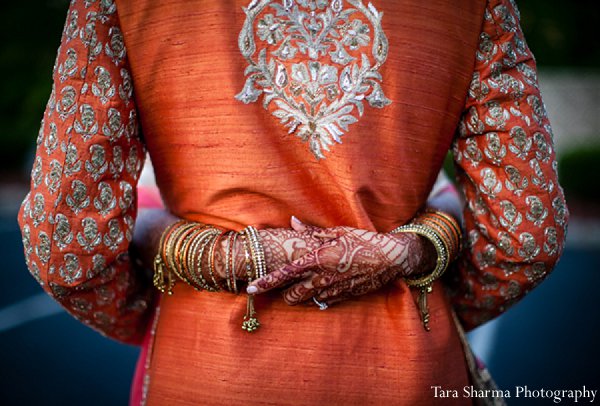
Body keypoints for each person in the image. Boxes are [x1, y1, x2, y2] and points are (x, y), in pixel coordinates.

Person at [18, 0, 568, 405]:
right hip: (410, 376)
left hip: (204, 373)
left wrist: (165, 296)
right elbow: (527, 236)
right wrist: (414, 267)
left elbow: (65, 245)